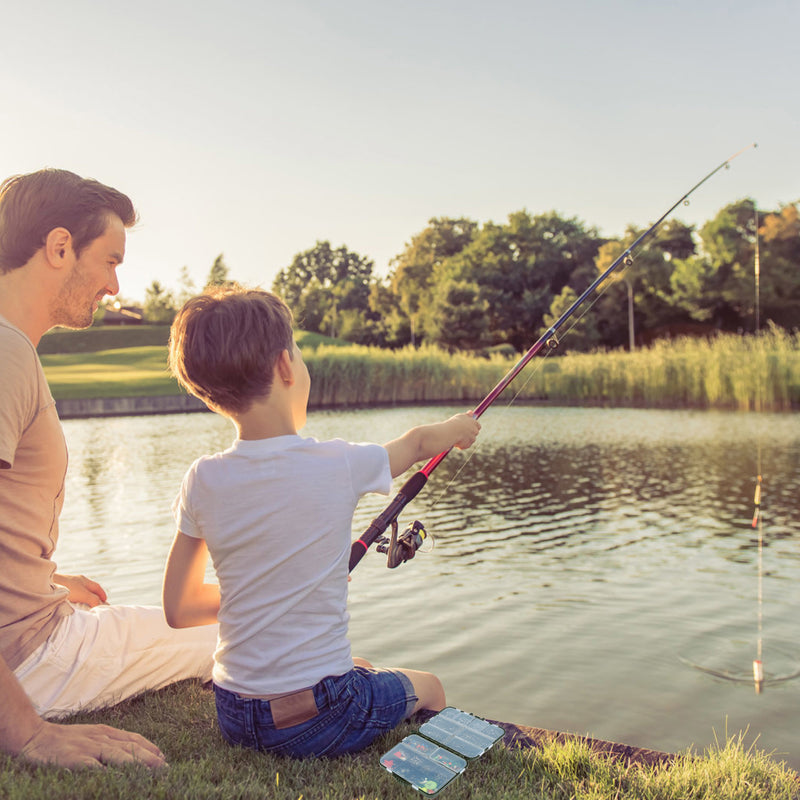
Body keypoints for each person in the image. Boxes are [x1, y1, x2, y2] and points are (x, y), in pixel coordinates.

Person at [162, 285, 481, 758]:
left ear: (212, 398)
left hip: (233, 711)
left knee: (362, 665)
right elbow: (415, 445)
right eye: (298, 351)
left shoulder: (203, 479)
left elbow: (179, 608)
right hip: (320, 715)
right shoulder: (337, 462)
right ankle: (428, 765)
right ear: (285, 367)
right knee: (429, 686)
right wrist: (457, 428)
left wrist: (260, 598)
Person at [0, 168, 217, 769]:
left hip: (30, 624)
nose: (114, 285)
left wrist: (36, 583)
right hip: (31, 663)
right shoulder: (6, 353)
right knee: (248, 628)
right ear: (59, 246)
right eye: (110, 261)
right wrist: (29, 734)